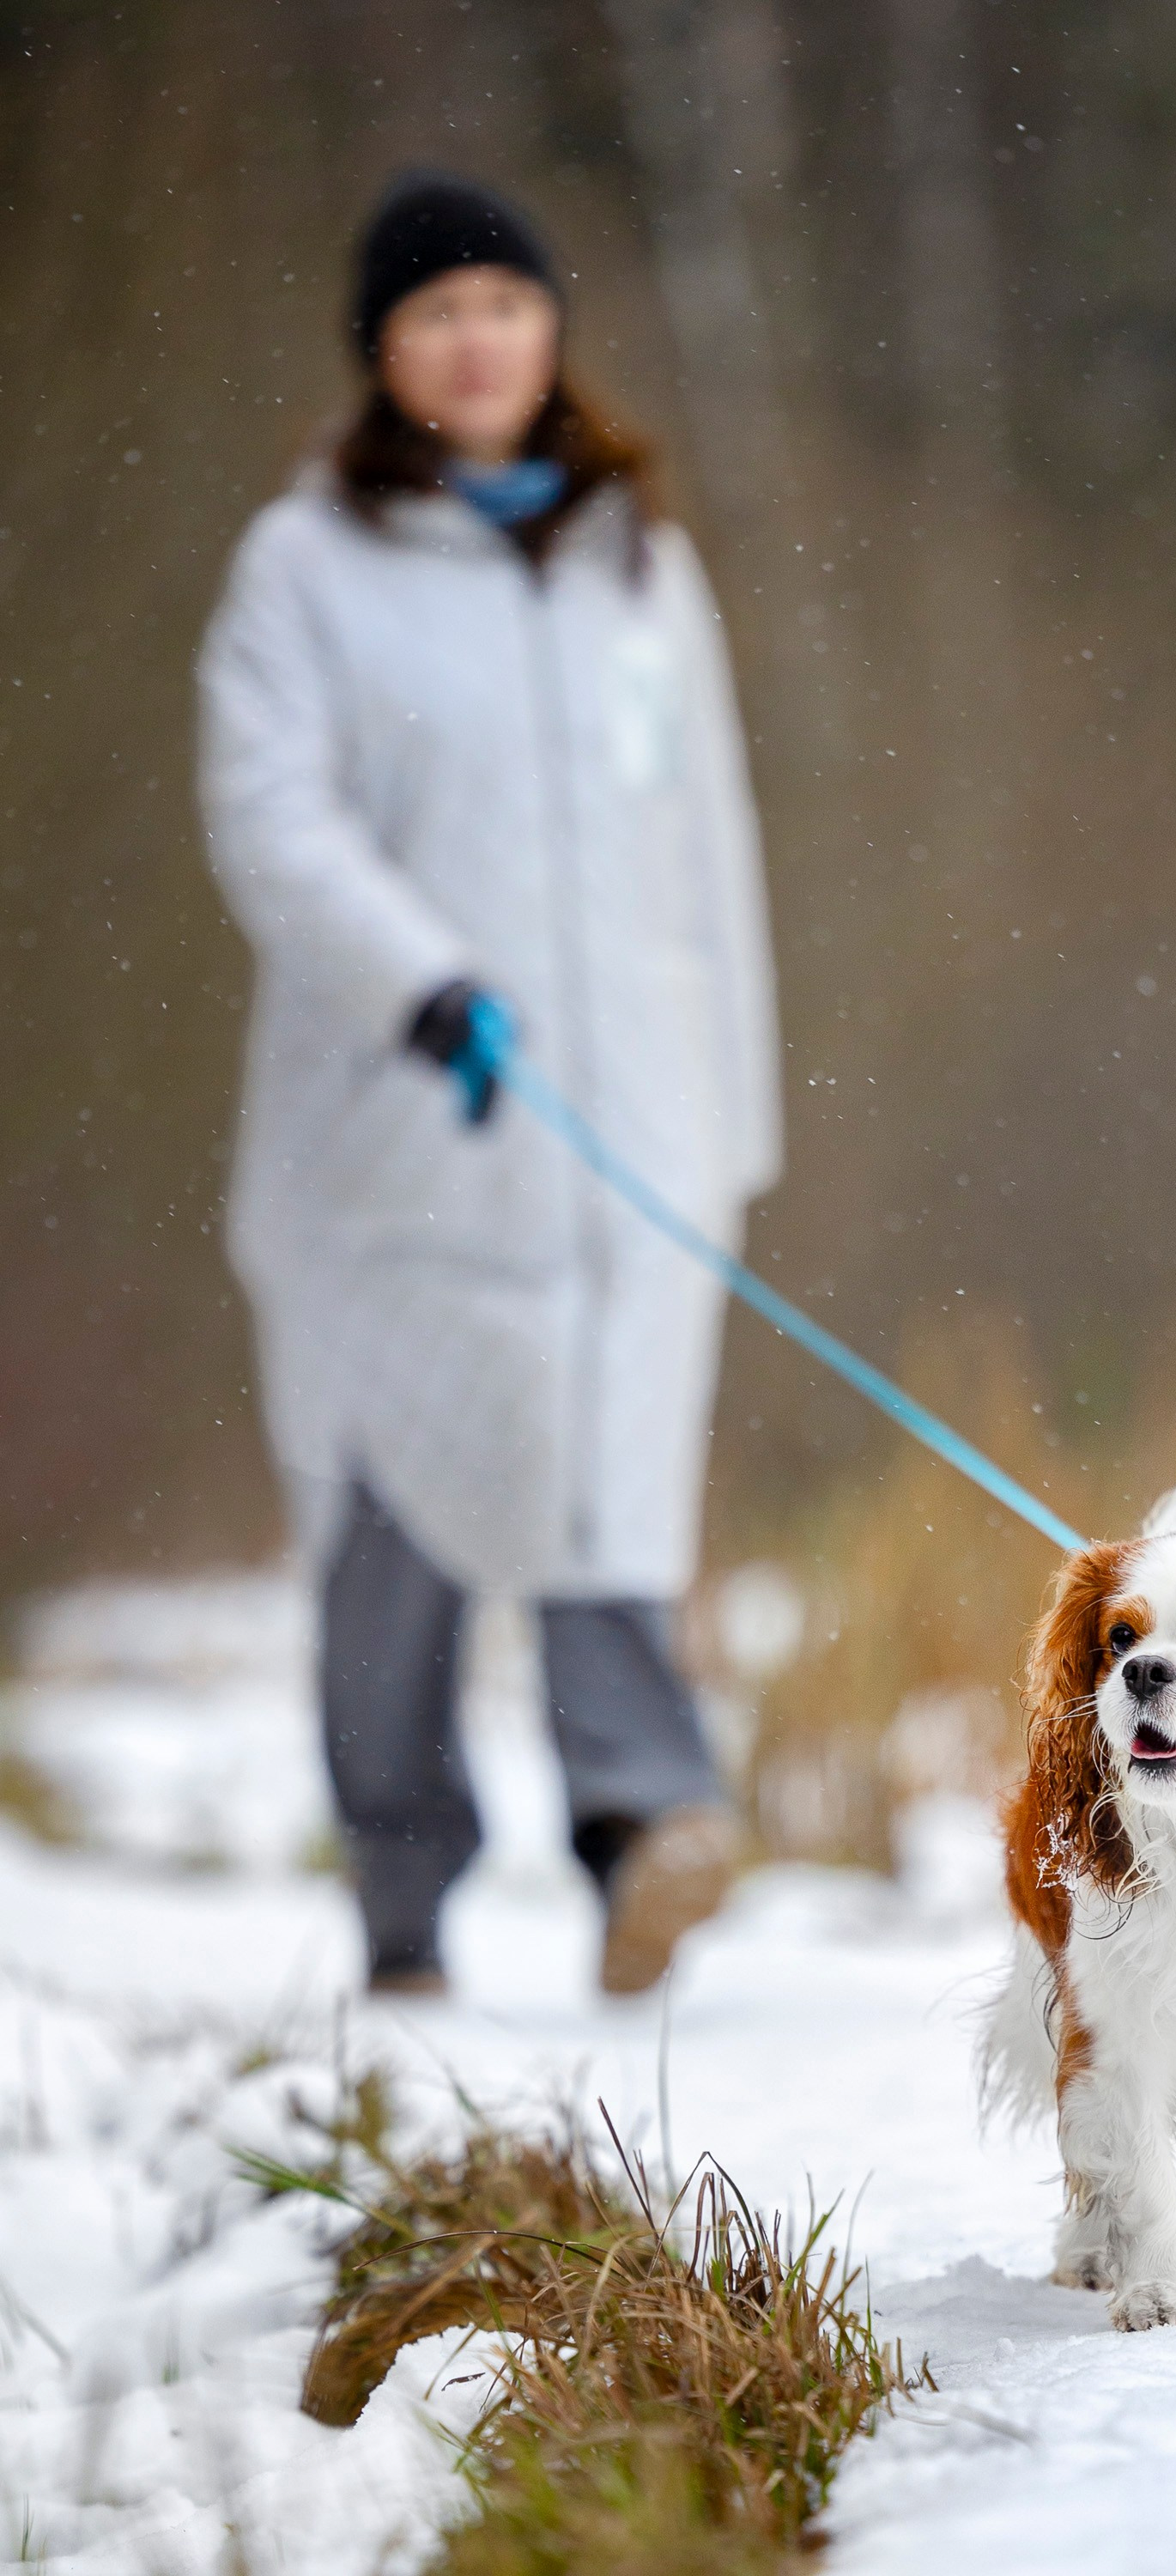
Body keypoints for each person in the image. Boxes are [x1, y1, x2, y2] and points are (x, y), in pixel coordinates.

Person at [197, 171, 781, 1999]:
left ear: (554, 333)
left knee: (610, 1476)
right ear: (384, 353)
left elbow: (708, 844)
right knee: (408, 1516)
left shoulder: (635, 559)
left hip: (630, 1126)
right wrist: (418, 981)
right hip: (406, 1123)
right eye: (437, 312)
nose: (478, 339)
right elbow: (267, 817)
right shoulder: (306, 565)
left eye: (506, 306)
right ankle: (402, 1892)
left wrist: (731, 1109)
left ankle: (639, 1821)